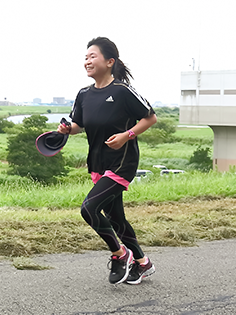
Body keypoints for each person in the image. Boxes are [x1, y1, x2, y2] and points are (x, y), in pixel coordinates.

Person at [58, 37, 157, 285]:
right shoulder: (83, 94)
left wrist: (127, 135)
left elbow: (150, 117)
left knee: (89, 208)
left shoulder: (122, 91)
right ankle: (143, 263)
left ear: (110, 62)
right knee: (116, 218)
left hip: (122, 161)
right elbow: (78, 125)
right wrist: (66, 129)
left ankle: (120, 254)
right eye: (86, 57)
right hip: (97, 162)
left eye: (93, 56)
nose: (88, 61)